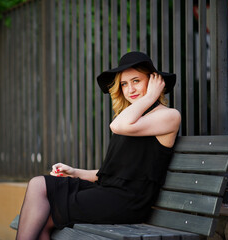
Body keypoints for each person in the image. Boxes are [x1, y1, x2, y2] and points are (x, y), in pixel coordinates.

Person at [16, 51, 181, 240]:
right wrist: (75, 171)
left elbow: (116, 125)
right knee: (38, 185)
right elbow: (113, 173)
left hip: (128, 201)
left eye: (136, 81)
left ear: (153, 81)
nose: (130, 89)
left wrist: (151, 95)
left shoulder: (169, 116)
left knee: (46, 216)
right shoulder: (132, 118)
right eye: (124, 84)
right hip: (108, 192)